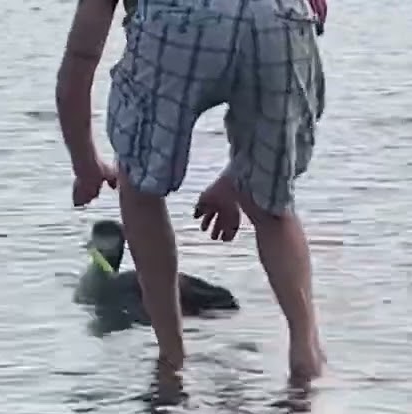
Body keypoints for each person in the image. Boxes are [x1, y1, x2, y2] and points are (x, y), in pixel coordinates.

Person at [55, 0, 328, 385]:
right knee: (273, 206)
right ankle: (306, 353)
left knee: (140, 188)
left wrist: (86, 166)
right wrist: (238, 182)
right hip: (279, 14)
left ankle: (172, 360)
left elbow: (77, 67)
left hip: (176, 19)